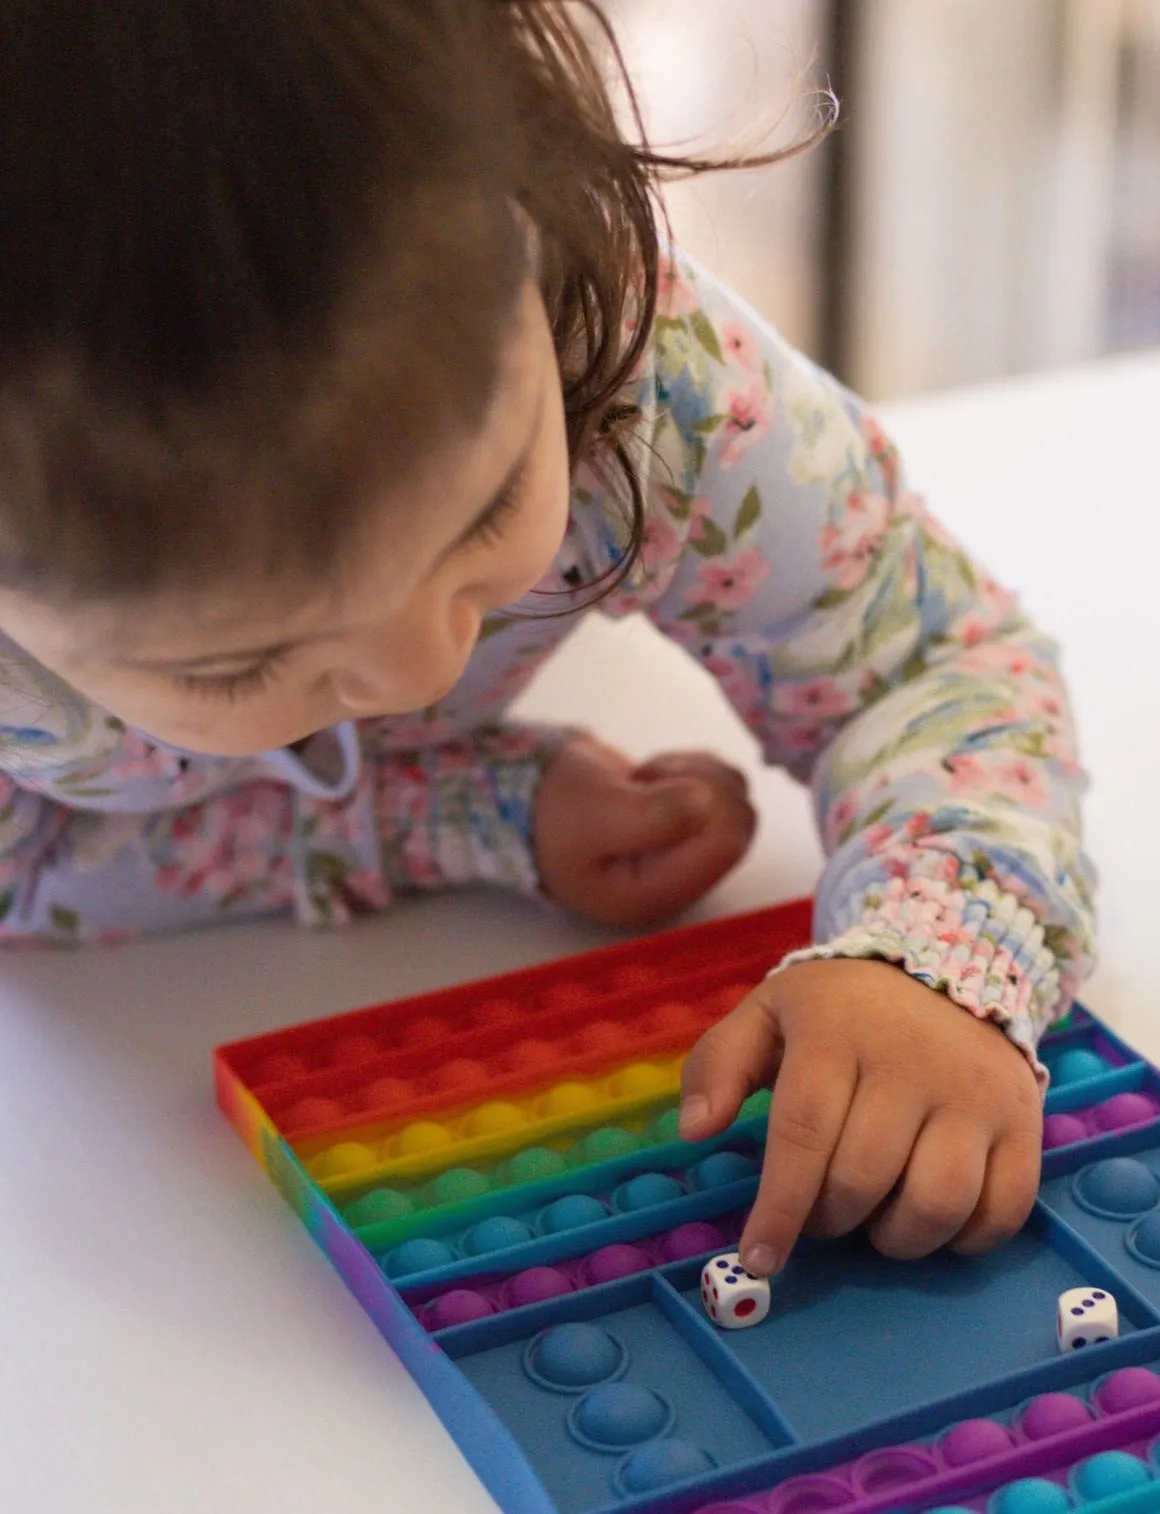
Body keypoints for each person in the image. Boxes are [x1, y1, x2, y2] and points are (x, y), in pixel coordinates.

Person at [0, 0, 1096, 1280]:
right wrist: (455, 805)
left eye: (485, 509)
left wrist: (934, 952)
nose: (418, 670)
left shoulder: (634, 367)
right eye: (232, 663)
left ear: (537, 204)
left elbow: (932, 655)